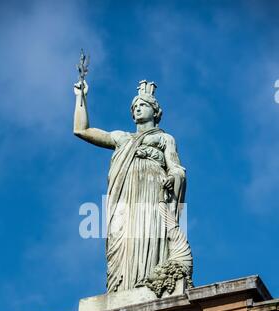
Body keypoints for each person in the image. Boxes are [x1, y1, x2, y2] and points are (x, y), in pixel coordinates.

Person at [73, 79, 192, 295]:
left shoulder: (165, 139)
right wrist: (80, 97)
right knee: (122, 238)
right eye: (134, 106)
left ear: (155, 111)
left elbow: (176, 168)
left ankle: (149, 282)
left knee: (148, 235)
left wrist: (173, 178)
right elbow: (82, 130)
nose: (137, 108)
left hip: (151, 195)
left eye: (142, 105)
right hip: (124, 197)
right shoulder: (122, 138)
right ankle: (121, 289)